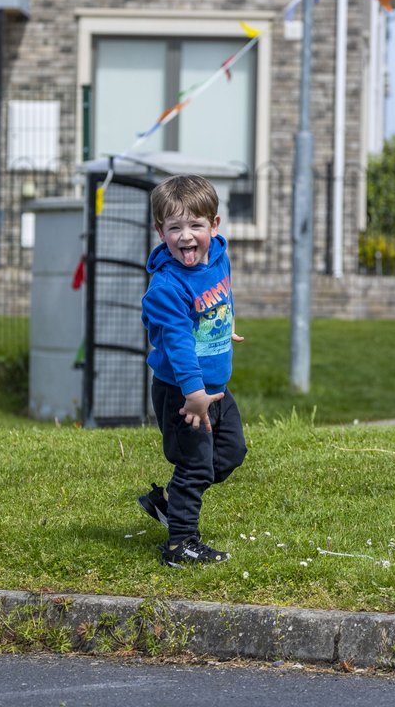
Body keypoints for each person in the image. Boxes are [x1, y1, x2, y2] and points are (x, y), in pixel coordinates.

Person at [138, 174, 246, 567]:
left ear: (214, 226)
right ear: (160, 231)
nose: (186, 236)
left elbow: (220, 293)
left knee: (231, 453)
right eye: (175, 227)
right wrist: (194, 396)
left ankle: (169, 502)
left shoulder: (218, 255)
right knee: (195, 465)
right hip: (185, 392)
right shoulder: (166, 287)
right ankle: (180, 544)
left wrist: (221, 323)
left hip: (216, 386)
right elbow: (180, 344)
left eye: (195, 225)